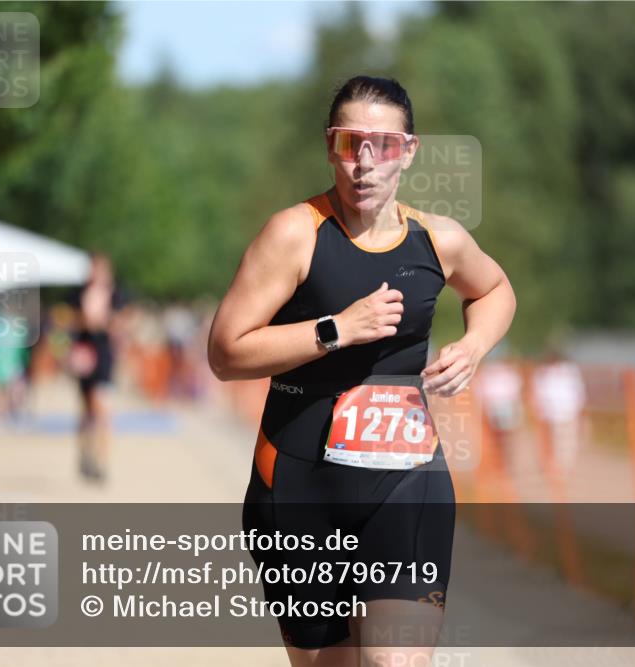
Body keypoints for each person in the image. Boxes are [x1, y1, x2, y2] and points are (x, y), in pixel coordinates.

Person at [208, 75, 516, 666]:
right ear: (330, 147)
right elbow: (226, 352)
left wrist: (475, 345)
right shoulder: (295, 234)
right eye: (351, 144)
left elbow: (495, 288)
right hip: (299, 486)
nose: (366, 163)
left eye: (384, 145)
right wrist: (336, 330)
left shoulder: (438, 240)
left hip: (407, 482)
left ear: (410, 150)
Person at [67, 253, 128, 483]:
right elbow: (71, 320)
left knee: (103, 411)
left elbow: (122, 321)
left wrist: (105, 321)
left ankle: (101, 461)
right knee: (85, 410)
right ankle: (85, 453)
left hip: (104, 359)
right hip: (84, 357)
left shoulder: (116, 294)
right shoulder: (79, 294)